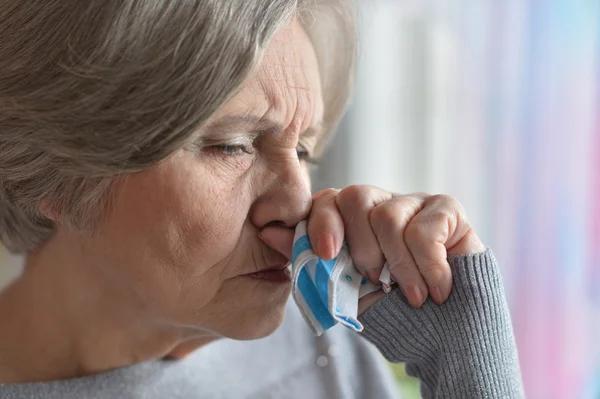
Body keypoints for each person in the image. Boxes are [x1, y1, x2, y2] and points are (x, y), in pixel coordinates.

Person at [0, 1, 524, 398]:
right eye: (232, 146)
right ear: (58, 172)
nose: (299, 202)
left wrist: (464, 365)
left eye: (303, 150)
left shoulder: (328, 347)